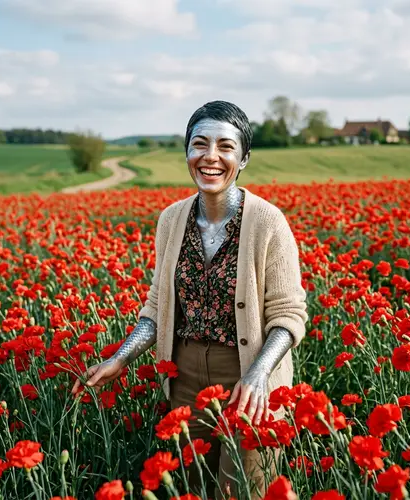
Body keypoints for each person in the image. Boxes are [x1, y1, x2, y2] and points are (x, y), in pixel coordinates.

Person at [71, 101, 308, 499]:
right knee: (192, 487)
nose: (210, 157)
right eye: (199, 144)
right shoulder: (171, 219)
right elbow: (157, 306)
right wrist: (120, 357)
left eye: (225, 147)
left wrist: (258, 374)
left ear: (244, 158)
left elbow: (288, 315)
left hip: (246, 376)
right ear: (186, 153)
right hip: (185, 377)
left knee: (242, 490)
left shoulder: (268, 222)